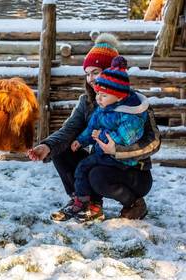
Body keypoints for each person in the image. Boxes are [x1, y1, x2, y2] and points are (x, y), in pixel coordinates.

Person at [27, 33, 161, 222]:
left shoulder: (135, 104)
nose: (90, 79)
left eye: (96, 72)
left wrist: (118, 150)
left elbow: (154, 142)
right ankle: (84, 202)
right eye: (87, 73)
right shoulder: (88, 102)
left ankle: (134, 203)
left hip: (134, 171)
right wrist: (47, 146)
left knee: (97, 175)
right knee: (62, 150)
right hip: (102, 161)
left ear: (110, 71)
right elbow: (69, 130)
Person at [61, 55, 149, 222]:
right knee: (82, 167)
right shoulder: (102, 108)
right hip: (104, 155)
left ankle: (134, 203)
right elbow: (91, 127)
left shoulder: (132, 111)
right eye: (98, 94)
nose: (98, 98)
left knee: (93, 173)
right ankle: (82, 200)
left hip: (128, 164)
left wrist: (104, 139)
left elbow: (128, 136)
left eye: (103, 95)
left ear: (119, 96)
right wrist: (82, 140)